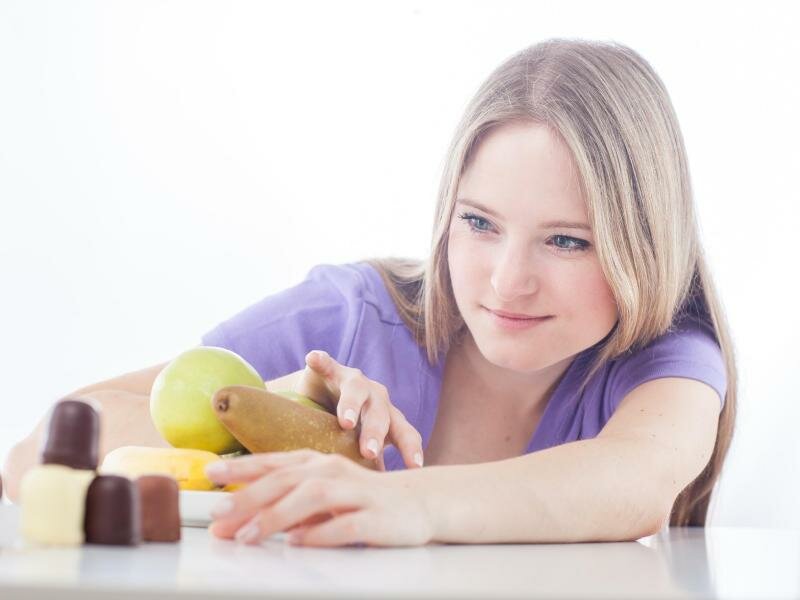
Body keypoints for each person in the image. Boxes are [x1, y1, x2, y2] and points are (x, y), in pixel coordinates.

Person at [2, 37, 736, 549]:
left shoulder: (668, 356)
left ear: (646, 243)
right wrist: (276, 410)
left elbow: (636, 481)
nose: (509, 280)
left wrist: (397, 503)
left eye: (567, 240)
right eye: (479, 224)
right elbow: (38, 452)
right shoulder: (349, 320)